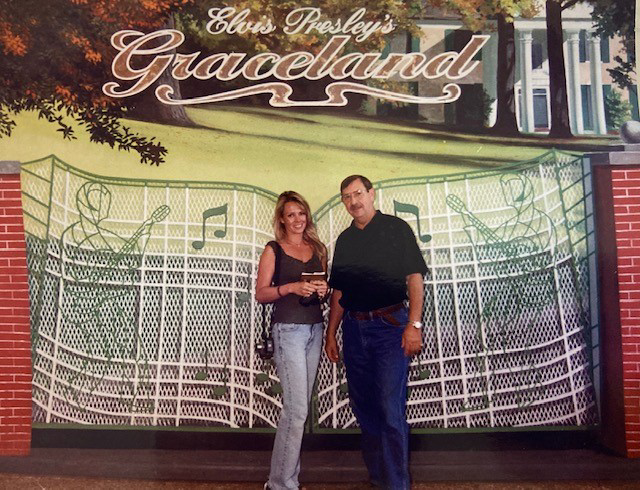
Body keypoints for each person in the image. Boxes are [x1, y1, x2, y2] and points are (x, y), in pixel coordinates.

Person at [325, 175, 427, 490]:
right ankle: (379, 478)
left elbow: (414, 277)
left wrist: (414, 325)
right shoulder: (345, 240)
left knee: (389, 408)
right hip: (354, 330)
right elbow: (339, 291)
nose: (353, 201)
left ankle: (397, 485)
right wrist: (331, 333)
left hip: (390, 328)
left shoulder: (397, 229)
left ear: (371, 194)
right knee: (364, 408)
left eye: (358, 193)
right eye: (346, 197)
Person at [256, 191, 329, 490]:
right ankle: (281, 485)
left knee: (300, 409)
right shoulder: (273, 249)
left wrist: (323, 290)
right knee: (296, 410)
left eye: (301, 213)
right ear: (282, 220)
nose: (297, 219)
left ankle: (285, 480)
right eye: (291, 215)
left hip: (315, 329)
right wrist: (290, 287)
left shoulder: (318, 249)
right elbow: (261, 293)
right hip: (288, 331)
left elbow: (324, 288)